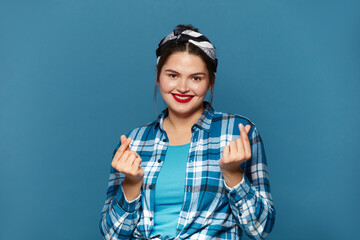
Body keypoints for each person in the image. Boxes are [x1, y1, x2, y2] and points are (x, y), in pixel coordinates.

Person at [99, 24, 275, 240]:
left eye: (196, 78)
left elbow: (260, 228)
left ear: (210, 82)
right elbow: (112, 235)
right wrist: (131, 184)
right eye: (173, 75)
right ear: (158, 76)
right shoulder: (134, 142)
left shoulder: (237, 133)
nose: (182, 87)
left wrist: (233, 174)